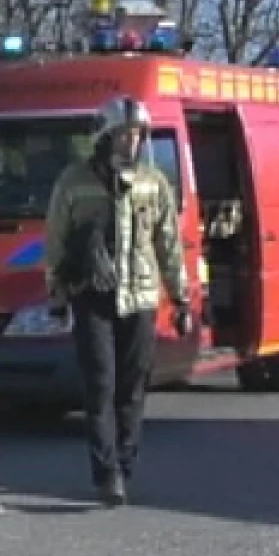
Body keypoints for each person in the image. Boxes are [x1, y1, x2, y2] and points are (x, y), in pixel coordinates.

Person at [44, 96, 192, 508]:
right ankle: (106, 473)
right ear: (105, 137)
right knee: (100, 385)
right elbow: (55, 240)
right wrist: (56, 292)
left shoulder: (153, 182)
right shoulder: (73, 183)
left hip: (140, 297)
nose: (132, 143)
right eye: (124, 135)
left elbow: (168, 245)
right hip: (92, 296)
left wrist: (181, 299)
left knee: (132, 386)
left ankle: (125, 463)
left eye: (138, 135)